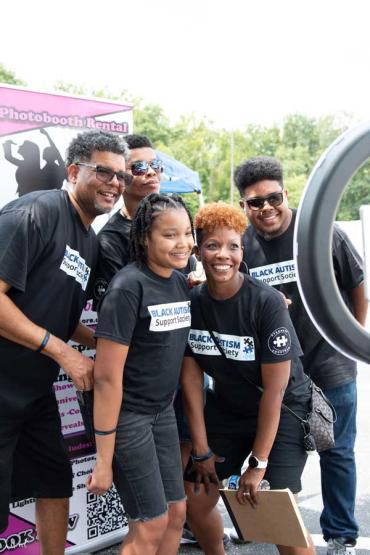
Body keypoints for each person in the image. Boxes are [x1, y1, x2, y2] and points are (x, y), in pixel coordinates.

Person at [0, 130, 129, 554]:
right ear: (74, 171)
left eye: (121, 176)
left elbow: (60, 313)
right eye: (103, 171)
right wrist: (63, 353)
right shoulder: (36, 212)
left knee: (54, 479)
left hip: (34, 392)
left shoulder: (90, 241)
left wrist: (109, 346)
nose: (114, 182)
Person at [235, 156, 367, 555]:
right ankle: (275, 531)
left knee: (338, 453)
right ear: (244, 205)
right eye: (254, 202)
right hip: (280, 375)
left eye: (273, 197)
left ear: (285, 193)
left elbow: (358, 288)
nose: (266, 208)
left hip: (331, 366)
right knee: (279, 455)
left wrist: (346, 339)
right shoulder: (242, 244)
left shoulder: (319, 234)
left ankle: (340, 535)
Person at [181, 202, 316, 555]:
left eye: (232, 246)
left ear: (242, 250)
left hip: (283, 410)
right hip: (230, 409)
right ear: (197, 251)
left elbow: (276, 389)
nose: (222, 255)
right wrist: (201, 449)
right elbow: (192, 383)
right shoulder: (192, 303)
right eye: (212, 245)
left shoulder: (266, 302)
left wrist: (258, 464)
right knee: (194, 501)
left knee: (276, 514)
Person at [87, 193, 194, 555]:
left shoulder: (179, 282)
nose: (183, 244)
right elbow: (105, 378)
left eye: (187, 233)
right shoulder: (127, 287)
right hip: (128, 417)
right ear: (145, 237)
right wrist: (104, 460)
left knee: (176, 513)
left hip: (162, 411)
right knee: (149, 524)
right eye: (170, 235)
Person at [92, 133, 196, 308]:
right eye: (138, 167)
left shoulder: (178, 219)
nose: (150, 172)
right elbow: (115, 310)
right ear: (120, 176)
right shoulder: (110, 240)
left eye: (155, 165)